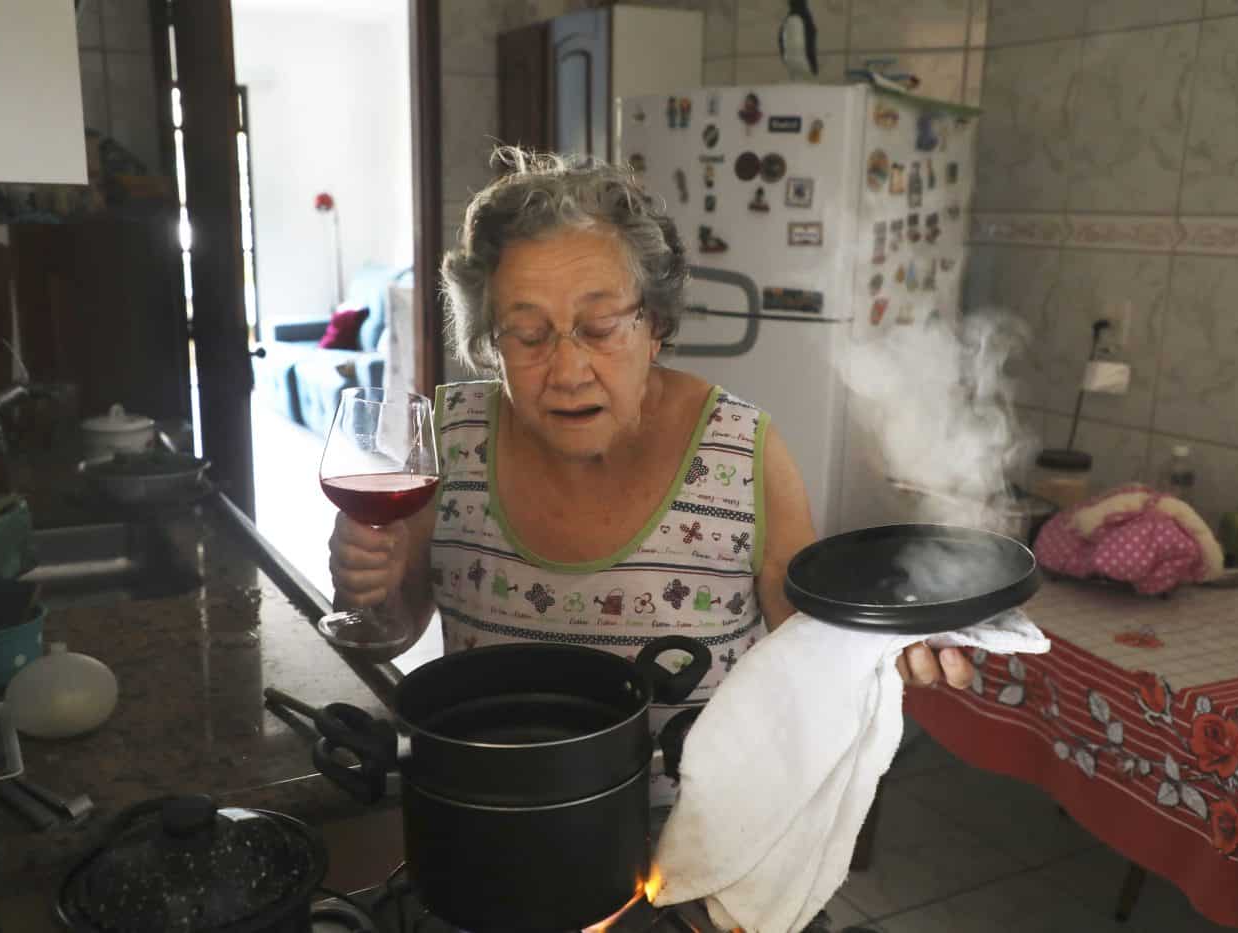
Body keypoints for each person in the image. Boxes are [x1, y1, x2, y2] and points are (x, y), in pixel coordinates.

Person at [329, 148, 974, 805]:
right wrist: (367, 586)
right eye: (526, 334)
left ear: (656, 324)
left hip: (693, 844)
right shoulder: (448, 438)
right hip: (492, 821)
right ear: (488, 342)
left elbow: (810, 645)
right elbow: (395, 628)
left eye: (601, 327)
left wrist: (877, 646)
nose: (568, 368)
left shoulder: (743, 451)